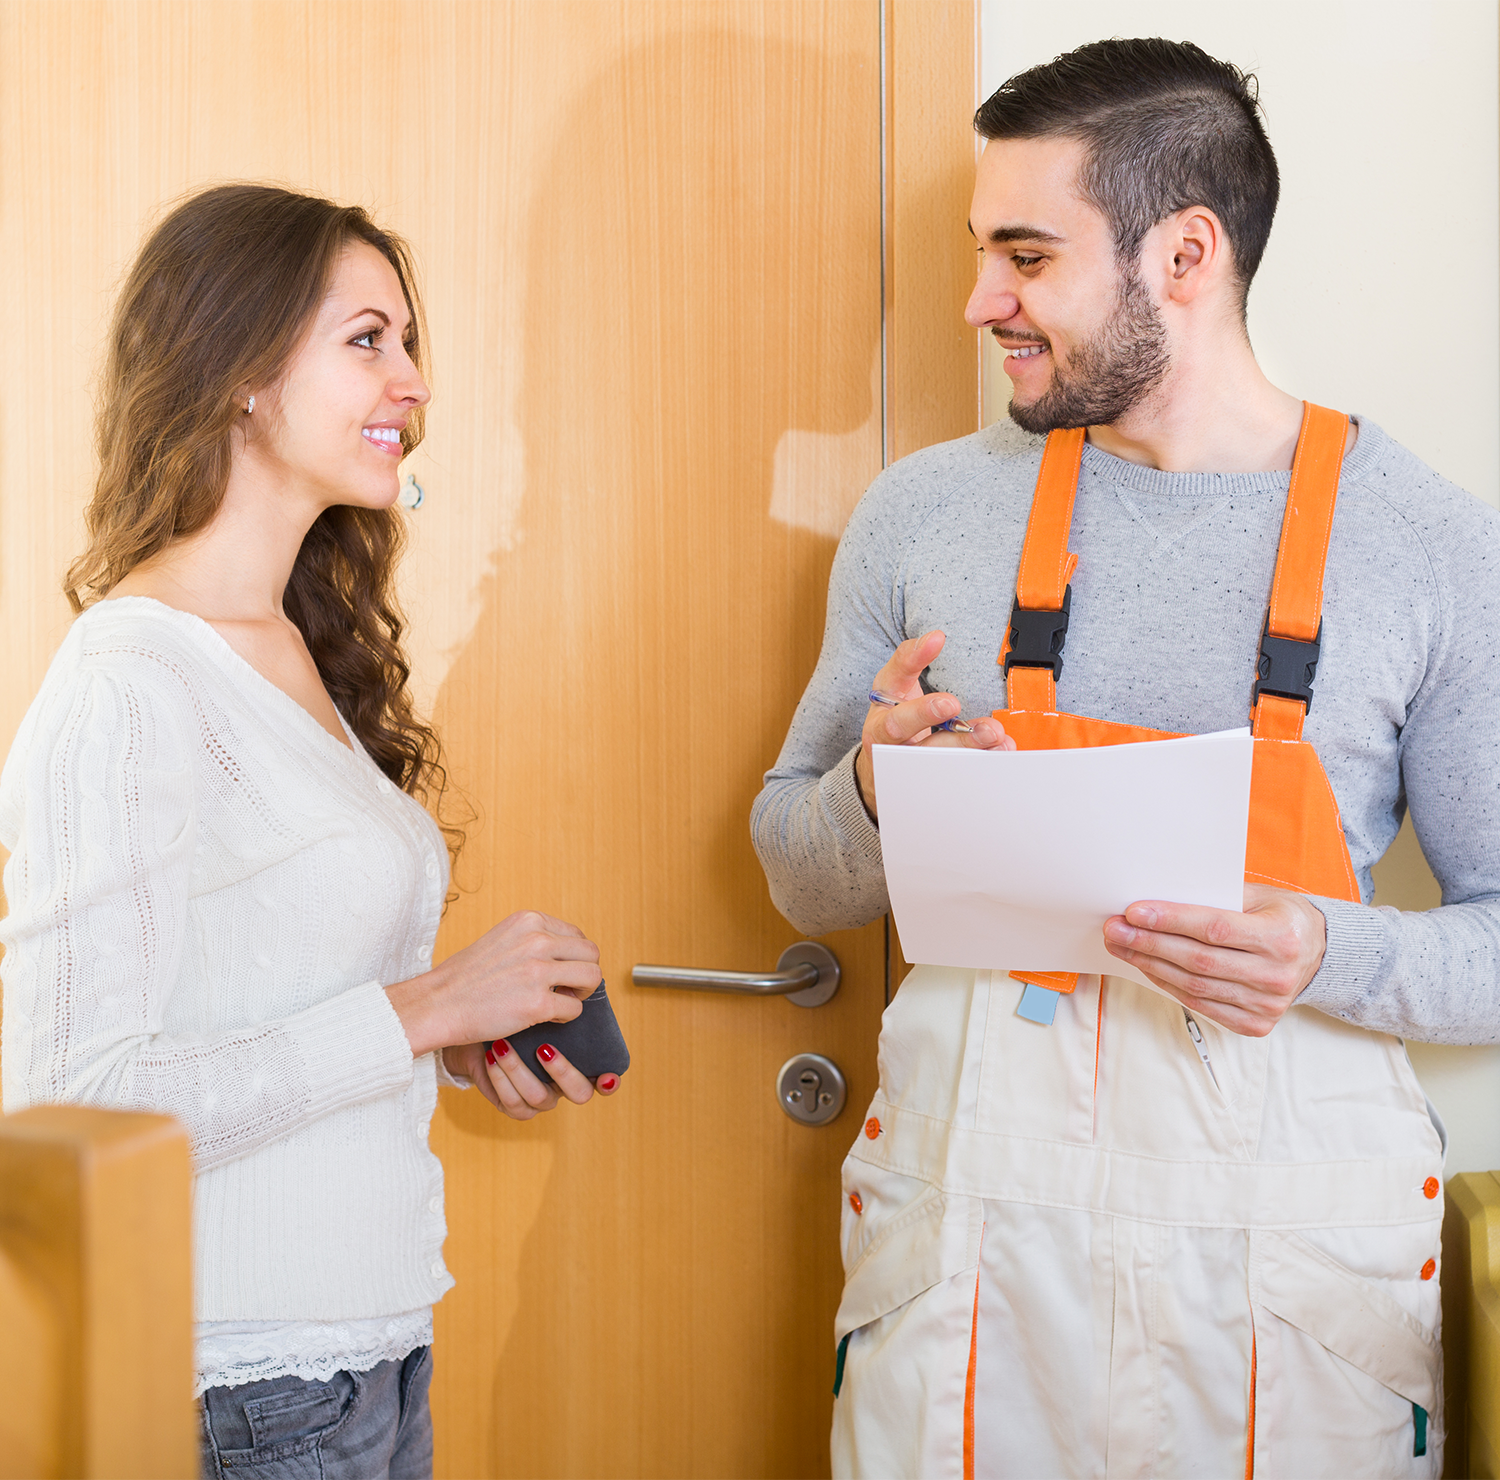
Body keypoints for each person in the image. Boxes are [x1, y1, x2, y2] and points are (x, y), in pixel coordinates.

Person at [752, 38, 1500, 1479]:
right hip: (971, 1277)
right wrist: (874, 788)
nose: (981, 301)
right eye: (985, 253)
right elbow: (797, 878)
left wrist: (1323, 952)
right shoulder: (921, 519)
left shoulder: (1433, 550)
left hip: (1291, 1306)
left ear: (1185, 254)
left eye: (1026, 257)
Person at [0, 184, 619, 1479]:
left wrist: (453, 1042)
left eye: (409, 342)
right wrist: (422, 1007)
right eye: (367, 340)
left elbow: (268, 996)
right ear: (239, 372)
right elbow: (69, 1101)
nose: (414, 383)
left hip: (367, 1354)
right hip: (240, 1385)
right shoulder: (129, 682)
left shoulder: (293, 646)